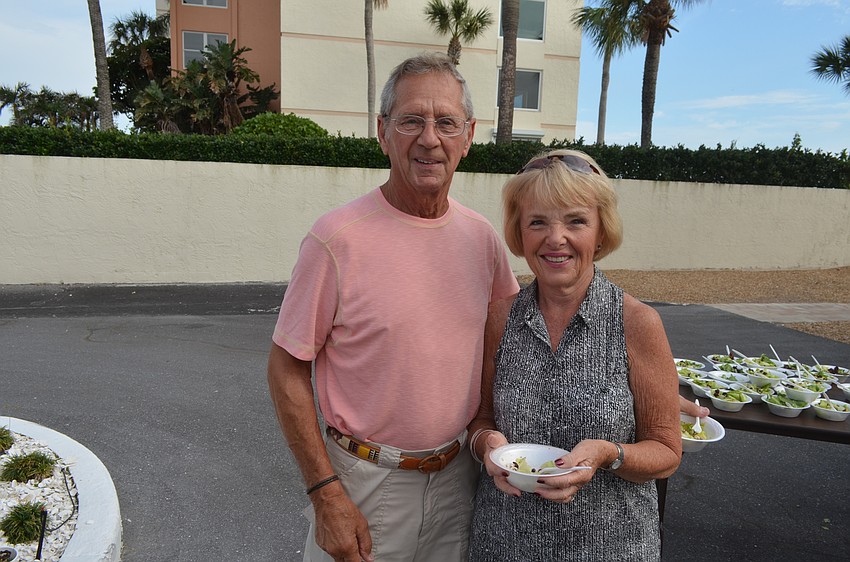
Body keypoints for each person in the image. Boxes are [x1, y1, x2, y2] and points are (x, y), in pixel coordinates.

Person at [267, 52, 520, 562]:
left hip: (457, 484)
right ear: (383, 131)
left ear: (468, 136)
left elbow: (513, 348)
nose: (430, 138)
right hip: (362, 484)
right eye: (412, 121)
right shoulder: (335, 239)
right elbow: (285, 370)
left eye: (446, 122)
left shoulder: (483, 241)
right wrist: (326, 493)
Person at [467, 149, 683, 561]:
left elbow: (667, 453)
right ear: (519, 233)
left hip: (610, 547)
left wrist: (609, 454)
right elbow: (480, 419)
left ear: (601, 232)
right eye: (537, 222)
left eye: (576, 220)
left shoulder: (637, 322)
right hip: (505, 543)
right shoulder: (500, 317)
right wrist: (486, 445)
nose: (555, 238)